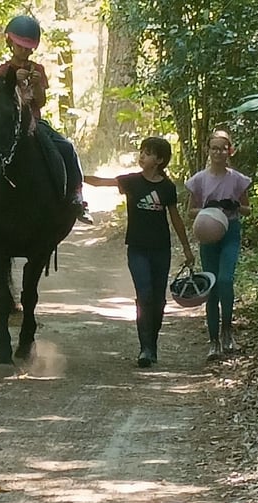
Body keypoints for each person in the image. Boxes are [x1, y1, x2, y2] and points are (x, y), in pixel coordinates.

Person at [85, 137, 195, 368]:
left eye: (148, 153)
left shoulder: (167, 188)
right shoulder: (132, 181)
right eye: (142, 151)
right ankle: (145, 348)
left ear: (160, 160)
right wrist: (77, 175)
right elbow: (100, 182)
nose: (142, 155)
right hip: (137, 249)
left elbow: (175, 218)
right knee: (144, 295)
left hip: (161, 249)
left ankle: (152, 344)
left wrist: (187, 249)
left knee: (158, 300)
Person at [0, 14, 93, 225]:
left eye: (28, 48)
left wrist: (37, 85)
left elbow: (40, 103)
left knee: (67, 147)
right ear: (10, 43)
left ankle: (76, 196)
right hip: (8, 124)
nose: (24, 51)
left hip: (33, 123)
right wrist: (12, 82)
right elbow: (0, 100)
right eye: (20, 46)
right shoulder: (4, 70)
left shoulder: (38, 69)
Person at [185, 130, 252, 360]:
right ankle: (213, 340)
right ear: (208, 150)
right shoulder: (199, 180)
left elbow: (247, 209)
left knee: (225, 280)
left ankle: (227, 331)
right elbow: (190, 211)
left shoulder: (237, 179)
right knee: (211, 285)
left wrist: (234, 205)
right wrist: (207, 207)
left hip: (229, 231)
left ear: (230, 151)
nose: (218, 152)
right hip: (207, 233)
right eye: (214, 148)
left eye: (223, 148)